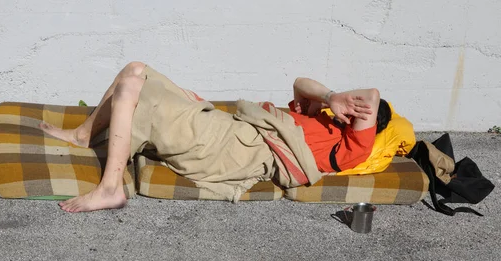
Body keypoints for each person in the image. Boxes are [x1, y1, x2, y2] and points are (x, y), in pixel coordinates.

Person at [39, 61, 390, 213]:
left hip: (234, 149)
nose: (353, 111)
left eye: (359, 117)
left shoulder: (350, 149)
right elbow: (300, 82)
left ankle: (110, 188)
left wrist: (352, 106)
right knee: (135, 69)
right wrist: (330, 97)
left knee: (133, 88)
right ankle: (86, 134)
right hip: (228, 127)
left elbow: (372, 96)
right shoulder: (323, 115)